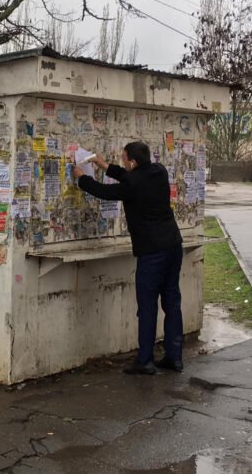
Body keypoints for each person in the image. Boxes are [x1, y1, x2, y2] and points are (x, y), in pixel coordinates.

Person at [72, 141, 184, 375]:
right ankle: (174, 357)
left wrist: (82, 178)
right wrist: (104, 165)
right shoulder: (159, 171)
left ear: (133, 161)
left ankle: (145, 361)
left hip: (152, 252)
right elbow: (129, 177)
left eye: (124, 159)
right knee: (172, 301)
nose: (123, 162)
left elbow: (107, 192)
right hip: (173, 245)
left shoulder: (133, 183)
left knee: (147, 306)